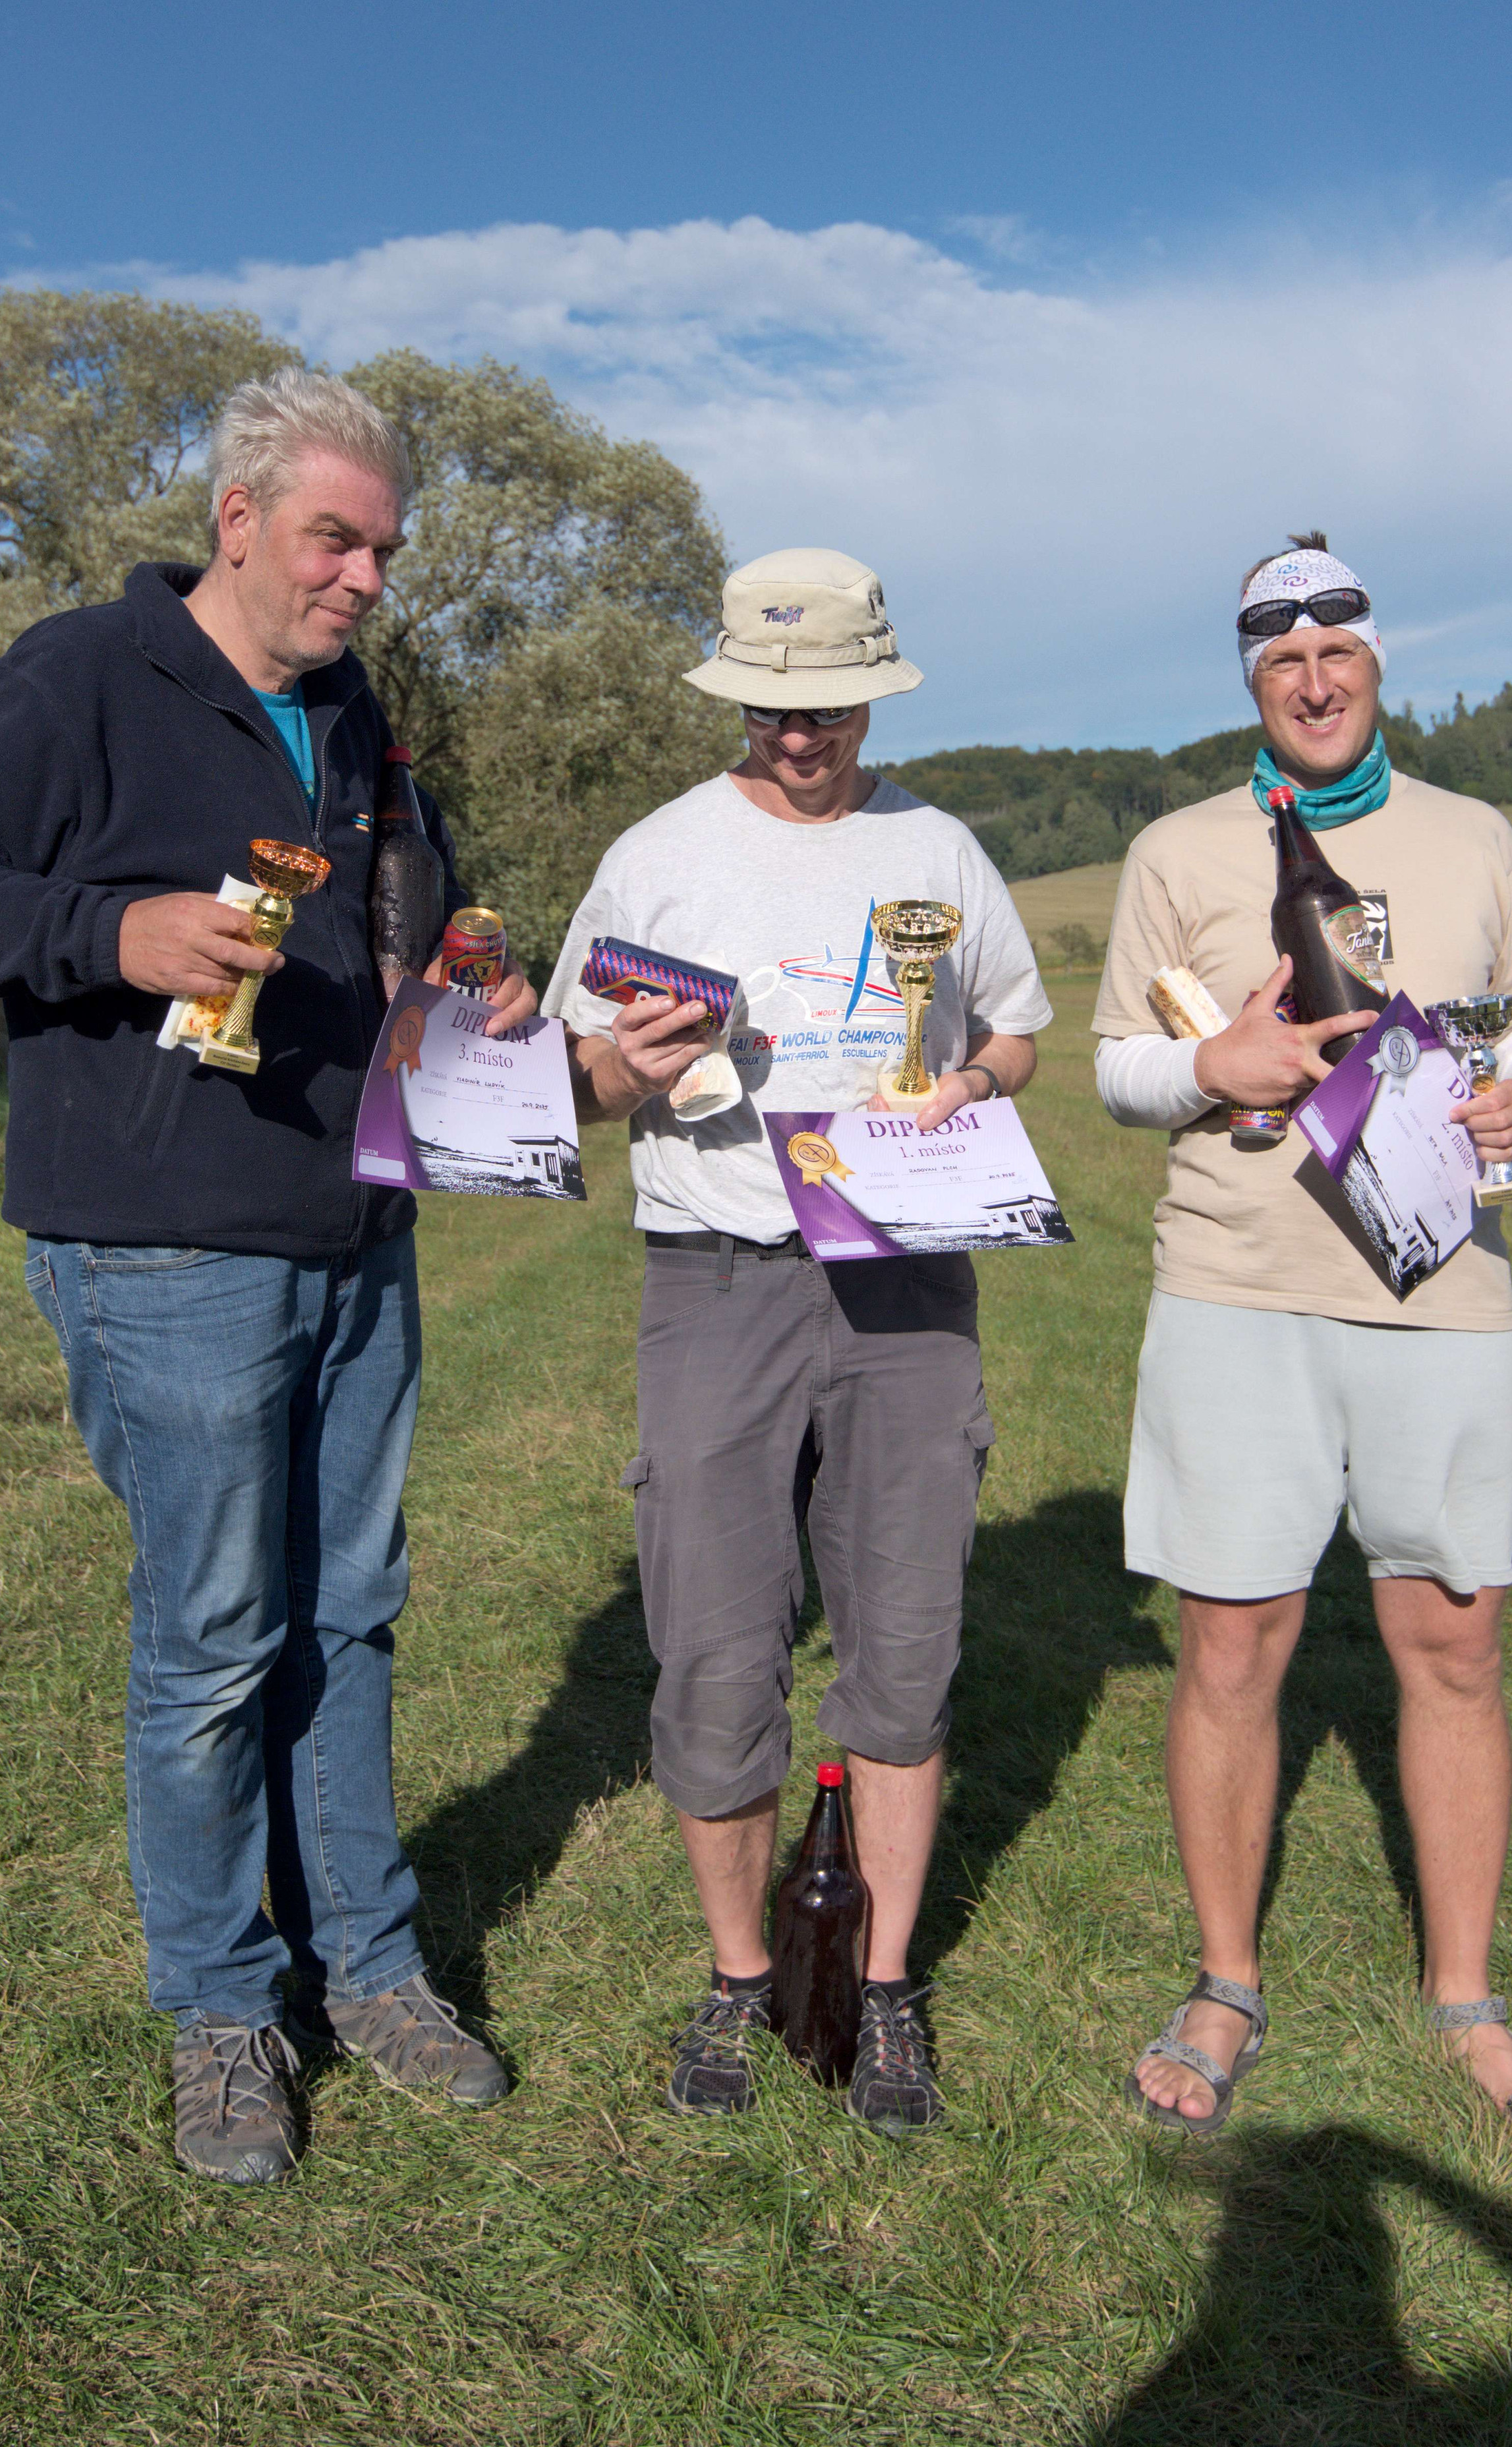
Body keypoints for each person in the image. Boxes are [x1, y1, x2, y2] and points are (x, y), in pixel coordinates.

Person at [0, 368, 537, 2188]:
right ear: (236, 520)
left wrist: (463, 982)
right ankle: (225, 2008)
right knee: (217, 1639)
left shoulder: (354, 713)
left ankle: (368, 1967)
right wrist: (113, 929)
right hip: (165, 1247)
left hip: (358, 1230)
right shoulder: (85, 673)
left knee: (351, 1614)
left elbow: (381, 925)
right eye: (335, 539)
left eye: (384, 549)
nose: (366, 578)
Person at [542, 548, 1053, 2134]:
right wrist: (628, 1069)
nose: (798, 732)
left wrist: (971, 1085)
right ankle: (739, 1970)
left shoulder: (939, 847)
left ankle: (881, 1988)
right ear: (736, 700)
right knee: (712, 1649)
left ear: (871, 696)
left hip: (903, 1284)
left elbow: (1016, 1029)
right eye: (772, 707)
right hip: (716, 1279)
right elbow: (565, 1078)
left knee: (902, 1642)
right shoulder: (655, 857)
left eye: (826, 704)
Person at [1093, 536, 1512, 2135]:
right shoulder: (1177, 849)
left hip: (1443, 1294)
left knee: (1453, 1639)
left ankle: (1466, 1994)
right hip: (1236, 1286)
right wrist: (1208, 1068)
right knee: (1233, 1644)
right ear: (1253, 681)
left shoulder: (1474, 834)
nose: (1313, 682)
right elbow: (1113, 1062)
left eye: (1338, 654)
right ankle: (1225, 1983)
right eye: (1282, 661)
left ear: (1376, 664)